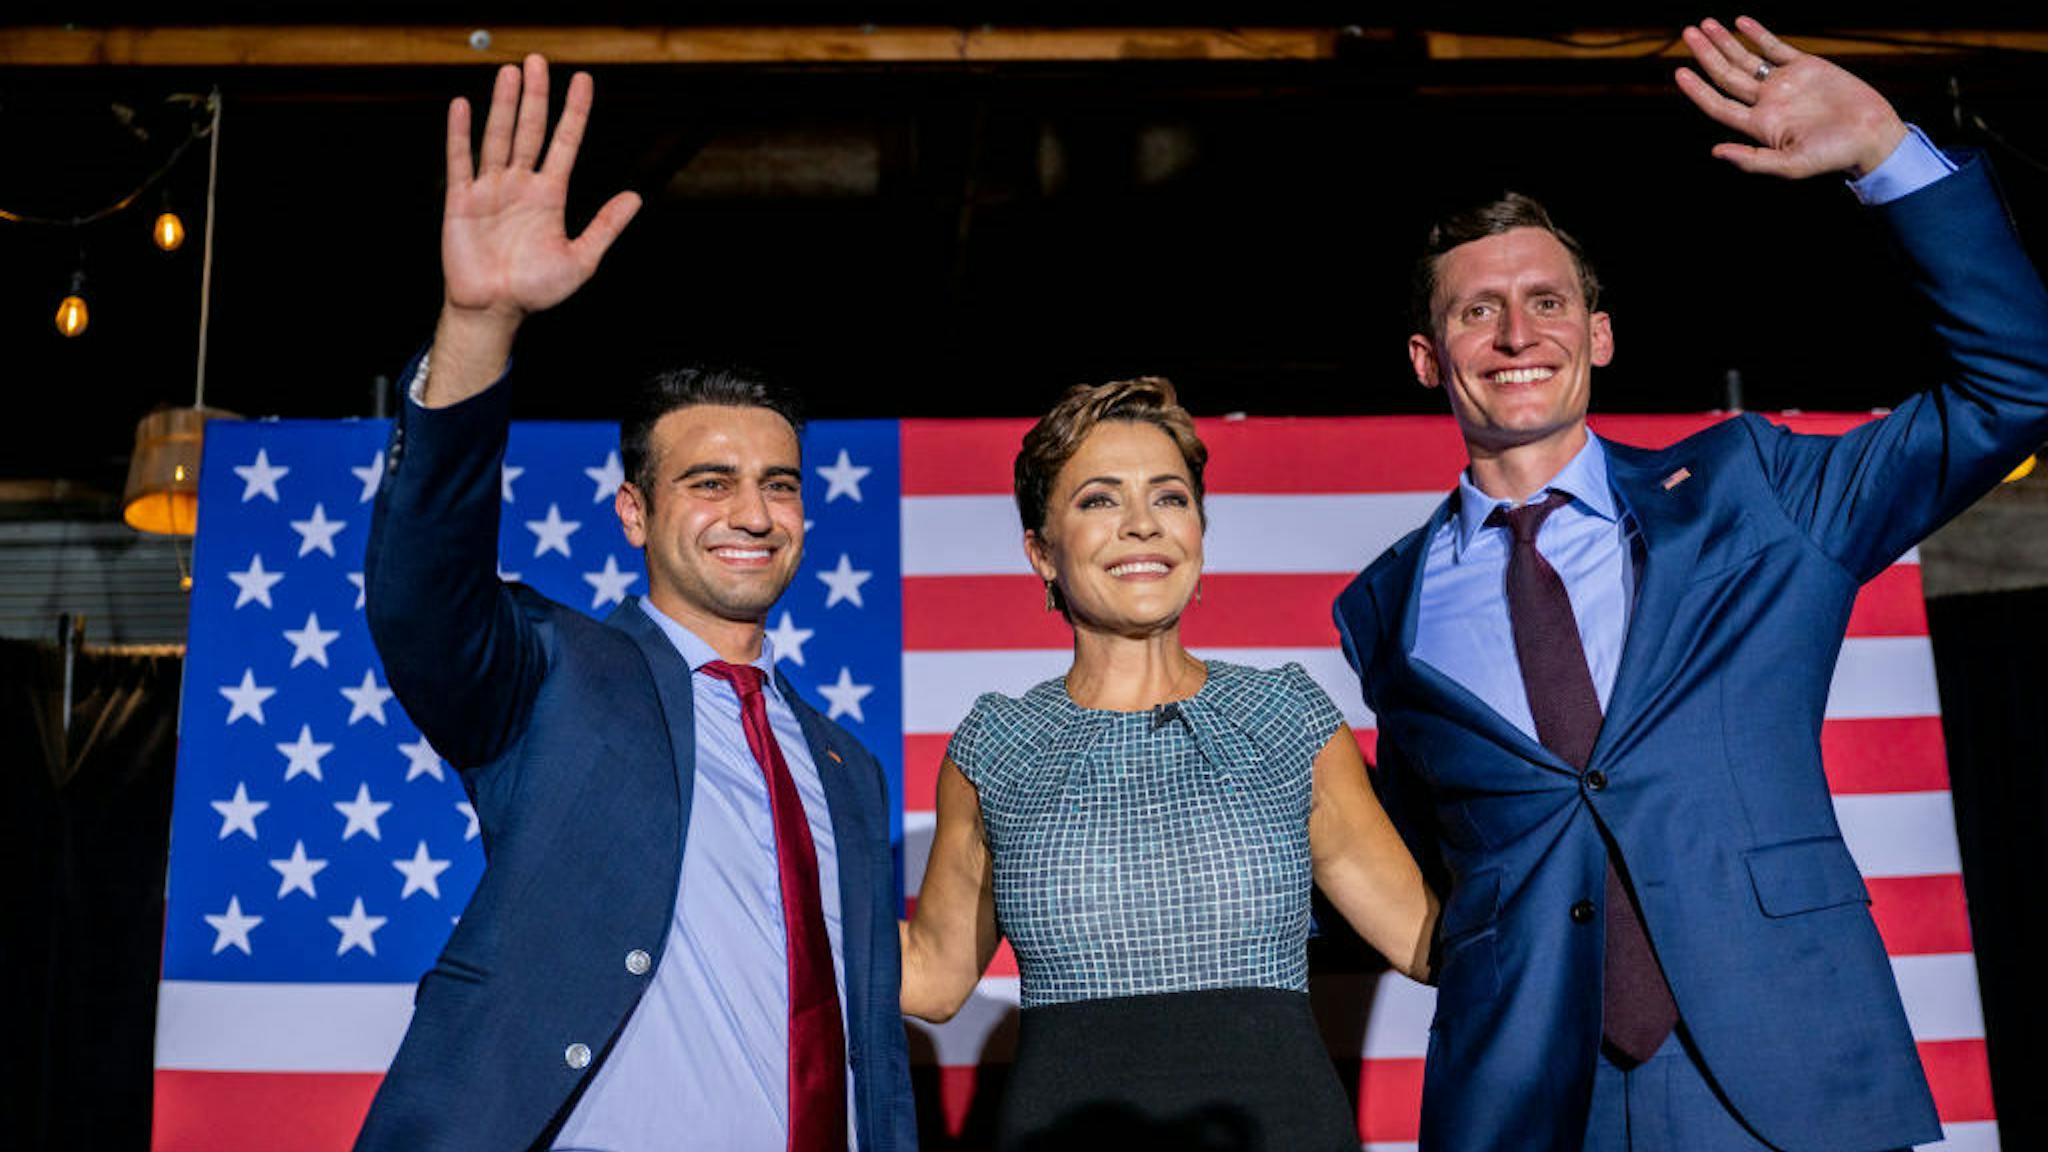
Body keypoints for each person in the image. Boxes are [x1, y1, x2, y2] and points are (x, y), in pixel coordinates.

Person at [1334, 15, 2048, 1152]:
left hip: (1781, 1071)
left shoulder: (1751, 485)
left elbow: (2009, 389)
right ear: (1428, 358)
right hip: (1524, 1101)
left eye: (1547, 302)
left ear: (1598, 335)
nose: (1516, 333)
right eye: (1475, 310)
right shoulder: (1383, 605)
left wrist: (1883, 152)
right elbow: (1447, 850)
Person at [355, 56, 916, 1151]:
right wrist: (479, 325)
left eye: (779, 483)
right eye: (708, 482)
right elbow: (422, 592)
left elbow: (868, 1049)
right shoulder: (551, 672)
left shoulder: (847, 766)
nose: (752, 512)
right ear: (632, 512)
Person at [902, 377, 1439, 1151]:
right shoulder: (996, 745)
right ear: (1040, 552)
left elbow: (1427, 941)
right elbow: (935, 978)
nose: (1142, 526)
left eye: (1170, 497)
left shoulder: (1286, 720)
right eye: (1099, 500)